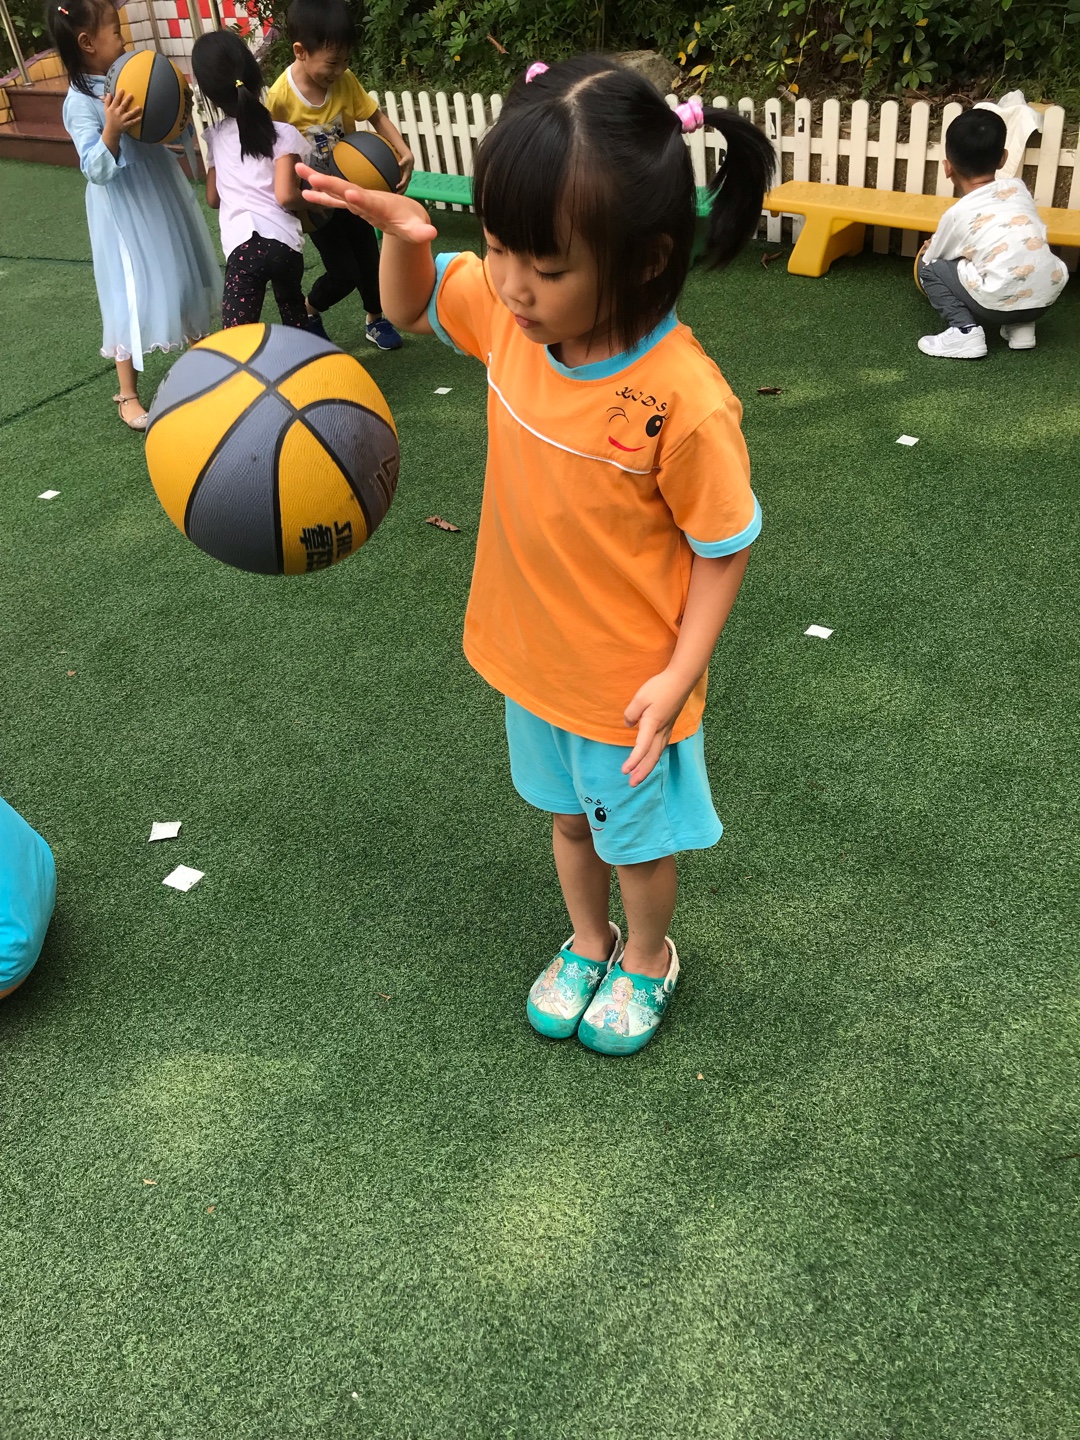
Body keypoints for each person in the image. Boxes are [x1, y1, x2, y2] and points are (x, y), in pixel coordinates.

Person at [299, 57, 775, 1056]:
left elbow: (723, 546)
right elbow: (416, 307)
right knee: (567, 823)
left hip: (626, 688)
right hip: (532, 658)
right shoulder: (511, 318)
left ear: (643, 260)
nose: (513, 285)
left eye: (548, 268)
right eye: (497, 246)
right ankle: (588, 940)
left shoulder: (684, 400)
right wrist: (408, 239)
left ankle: (648, 955)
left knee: (634, 844)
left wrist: (680, 675)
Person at [48, 0, 221, 430]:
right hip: (123, 212)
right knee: (129, 292)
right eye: (115, 31)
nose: (123, 38)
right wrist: (112, 127)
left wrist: (177, 109)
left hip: (158, 191)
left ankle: (205, 363)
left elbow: (162, 127)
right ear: (87, 42)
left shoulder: (131, 74)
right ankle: (127, 393)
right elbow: (94, 169)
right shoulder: (79, 102)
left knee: (181, 273)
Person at [266, 0, 414, 350]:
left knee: (370, 261)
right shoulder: (280, 97)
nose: (340, 70)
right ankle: (310, 310)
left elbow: (375, 115)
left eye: (346, 60)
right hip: (316, 200)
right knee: (344, 272)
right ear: (300, 51)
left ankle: (375, 319)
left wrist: (402, 150)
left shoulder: (345, 81)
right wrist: (290, 199)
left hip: (353, 190)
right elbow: (272, 152)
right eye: (332, 62)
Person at [917, 107, 1068, 359]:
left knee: (928, 266)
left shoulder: (957, 214)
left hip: (997, 304)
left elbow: (936, 255)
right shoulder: (1019, 190)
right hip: (1044, 299)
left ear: (947, 167)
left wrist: (930, 245)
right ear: (1003, 158)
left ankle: (965, 332)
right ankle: (1021, 328)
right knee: (1011, 258)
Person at [192, 29, 309, 330]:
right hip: (283, 243)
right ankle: (307, 356)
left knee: (237, 335)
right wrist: (316, 205)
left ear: (211, 96)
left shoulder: (215, 137)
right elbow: (286, 195)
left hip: (243, 246)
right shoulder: (283, 134)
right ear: (255, 75)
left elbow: (212, 198)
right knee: (293, 310)